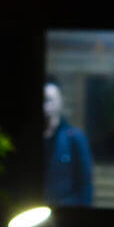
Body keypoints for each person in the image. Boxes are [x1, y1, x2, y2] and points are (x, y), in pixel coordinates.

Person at [43, 76, 94, 207]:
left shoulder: (74, 138)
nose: (47, 106)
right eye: (44, 100)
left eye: (50, 100)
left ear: (60, 101)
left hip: (67, 212)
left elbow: (85, 183)